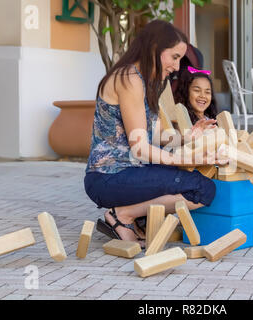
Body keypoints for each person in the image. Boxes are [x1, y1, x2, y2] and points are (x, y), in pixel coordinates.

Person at [84, 20, 226, 248]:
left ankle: (130, 217)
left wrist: (188, 137)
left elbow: (157, 136)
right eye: (175, 57)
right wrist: (186, 159)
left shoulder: (151, 82)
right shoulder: (128, 78)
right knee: (202, 189)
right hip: (107, 177)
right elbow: (139, 147)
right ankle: (124, 216)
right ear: (154, 49)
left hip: (132, 171)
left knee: (195, 180)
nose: (177, 67)